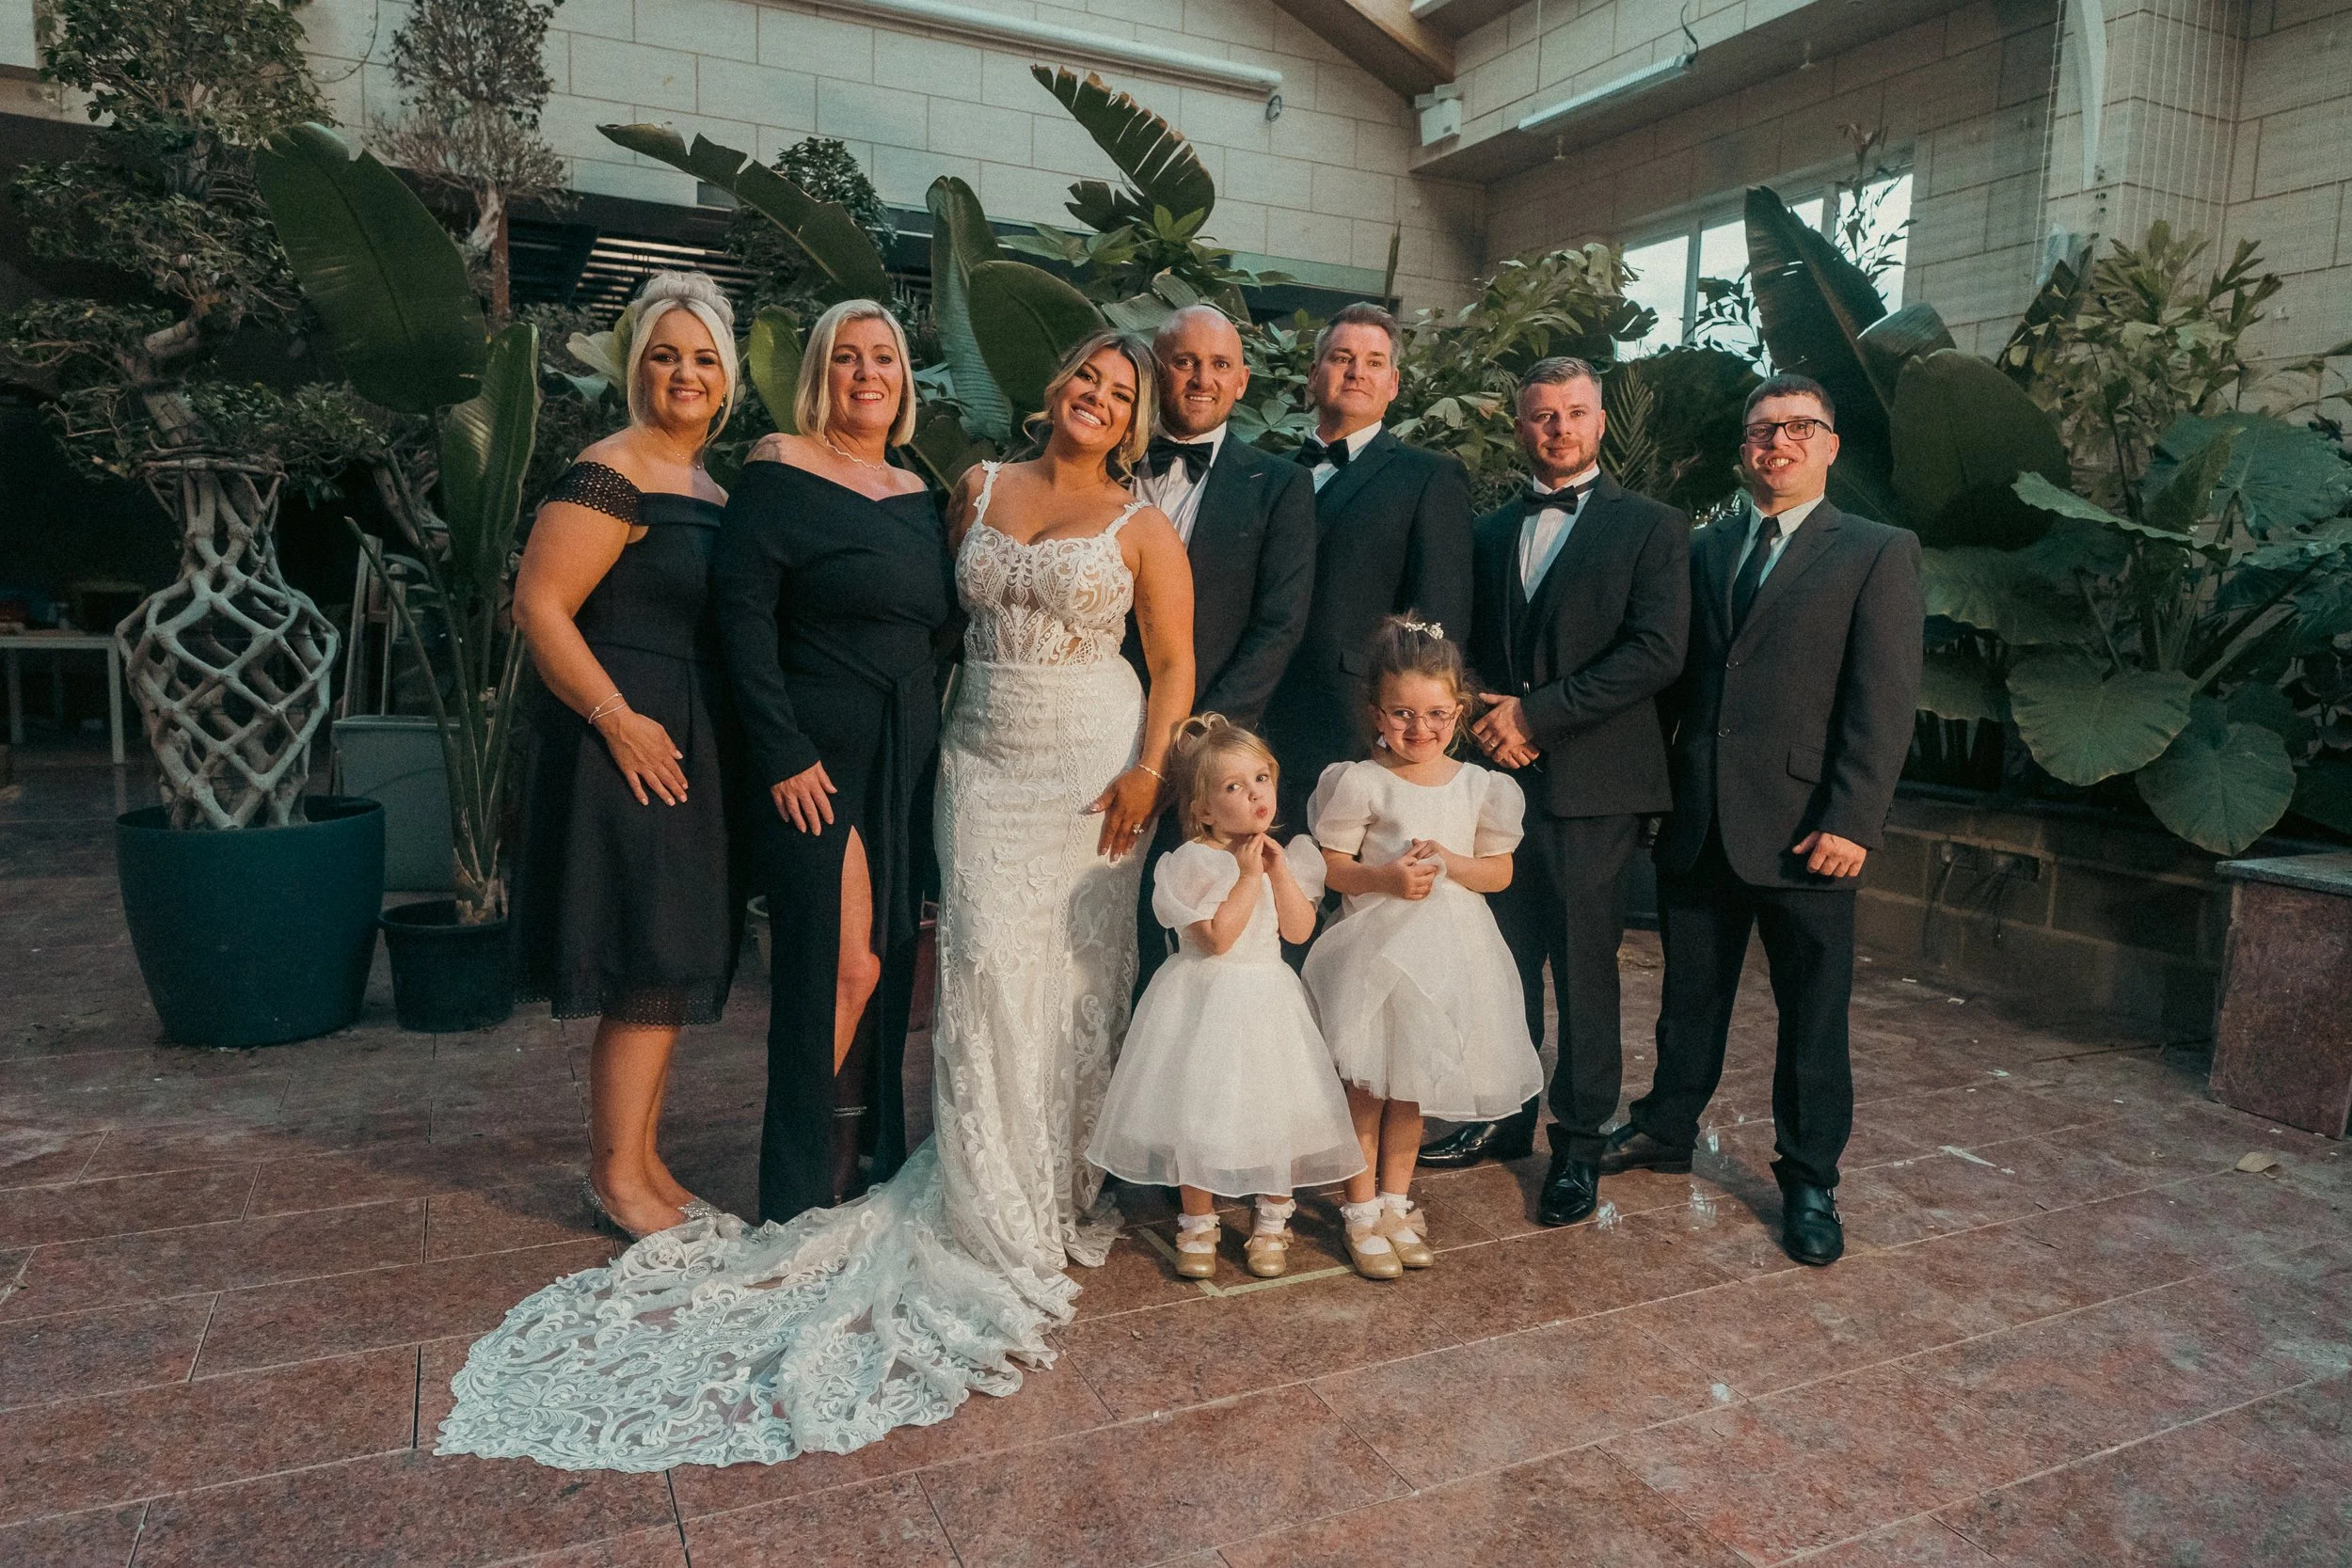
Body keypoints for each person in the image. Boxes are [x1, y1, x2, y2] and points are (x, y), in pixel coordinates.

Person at [437, 330, 1198, 1469]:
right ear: (1054, 387)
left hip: (1077, 753)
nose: (1095, 395)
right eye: (1084, 375)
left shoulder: (1130, 521)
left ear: (1134, 421)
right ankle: (890, 1173)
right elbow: (830, 611)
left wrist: (1149, 763)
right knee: (977, 960)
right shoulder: (968, 488)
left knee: (1059, 971)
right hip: (974, 752)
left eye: (1119, 391)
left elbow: (1173, 658)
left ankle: (1042, 1178)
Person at [1606, 373, 1922, 1267]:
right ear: (1743, 450)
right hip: (1703, 819)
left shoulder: (1875, 549)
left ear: (1830, 445)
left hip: (1808, 832)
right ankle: (1668, 1126)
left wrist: (1854, 817)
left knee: (1812, 1014)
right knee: (1687, 997)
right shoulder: (1705, 549)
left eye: (1797, 428)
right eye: (1759, 431)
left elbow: (1884, 701)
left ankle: (1811, 1175)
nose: (1775, 443)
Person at [1418, 357, 1692, 1232]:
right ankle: (1502, 1115)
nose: (1560, 429)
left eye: (1575, 413)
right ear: (1519, 426)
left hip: (1593, 788)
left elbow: (1656, 652)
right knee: (1500, 962)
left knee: (1581, 969)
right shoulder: (1491, 529)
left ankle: (1577, 1144)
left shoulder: (1652, 528)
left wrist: (1536, 716)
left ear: (1600, 424)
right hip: (1495, 787)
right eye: (1543, 416)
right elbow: (1459, 646)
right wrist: (1478, 715)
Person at [509, 270, 744, 1241]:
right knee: (646, 957)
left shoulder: (714, 487)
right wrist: (618, 718)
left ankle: (643, 1159)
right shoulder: (610, 467)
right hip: (629, 738)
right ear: (635, 368)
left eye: (701, 358)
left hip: (687, 739)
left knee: (672, 955)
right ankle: (615, 1178)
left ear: (727, 378)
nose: (683, 374)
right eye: (663, 355)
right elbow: (541, 606)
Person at [711, 298, 957, 1225]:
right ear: (821, 375)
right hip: (812, 761)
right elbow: (741, 620)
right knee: (837, 965)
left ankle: (863, 1162)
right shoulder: (778, 472)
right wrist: (781, 751)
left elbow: (937, 629)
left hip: (902, 757)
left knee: (885, 963)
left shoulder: (918, 497)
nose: (867, 374)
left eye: (883, 359)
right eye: (847, 358)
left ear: (902, 380)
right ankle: (803, 1186)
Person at [1302, 617, 1541, 1279]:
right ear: (1377, 711)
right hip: (1375, 959)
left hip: (1448, 959)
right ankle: (1357, 1212)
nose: (1419, 728)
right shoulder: (1361, 780)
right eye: (1402, 713)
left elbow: (1498, 871)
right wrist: (1385, 877)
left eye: (1436, 713)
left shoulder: (1478, 786)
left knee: (1411, 1093)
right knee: (1366, 1090)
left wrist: (1453, 864)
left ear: (1459, 711)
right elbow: (1333, 866)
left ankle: (1396, 1200)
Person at [1088, 716, 1360, 1281]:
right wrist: (1244, 876)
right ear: (1204, 809)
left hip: (1267, 1000)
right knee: (1200, 1113)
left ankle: (1271, 1223)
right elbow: (1214, 939)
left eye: (1262, 778)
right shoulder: (1189, 863)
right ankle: (1198, 1223)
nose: (1256, 793)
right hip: (1204, 1002)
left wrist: (1278, 873)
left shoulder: (1290, 855)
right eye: (1234, 787)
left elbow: (1298, 931)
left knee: (1276, 1111)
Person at [1128, 305, 1316, 996]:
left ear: (1241, 381)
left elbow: (1279, 625)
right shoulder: (1106, 466)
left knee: (1179, 935)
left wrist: (1193, 744)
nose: (1201, 378)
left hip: (1205, 753)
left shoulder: (1280, 486)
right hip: (1091, 723)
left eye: (1218, 365)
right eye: (1184, 361)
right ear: (1157, 369)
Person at [1263, 303, 1474, 830]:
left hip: (1355, 725)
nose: (1357, 371)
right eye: (1342, 357)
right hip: (1257, 718)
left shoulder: (1429, 478)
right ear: (1314, 374)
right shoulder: (1269, 474)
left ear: (1394, 383)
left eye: (1375, 362)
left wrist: (1404, 731)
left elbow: (1440, 623)